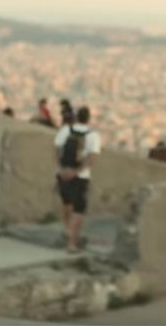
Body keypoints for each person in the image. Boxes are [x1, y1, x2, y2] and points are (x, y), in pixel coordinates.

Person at [54, 106, 101, 253]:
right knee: (78, 210)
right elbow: (92, 158)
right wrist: (76, 172)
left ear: (76, 117)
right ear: (88, 119)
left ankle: (67, 232)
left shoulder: (65, 130)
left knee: (67, 204)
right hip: (80, 177)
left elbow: (57, 150)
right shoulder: (93, 136)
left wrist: (61, 169)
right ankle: (72, 243)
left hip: (62, 174)